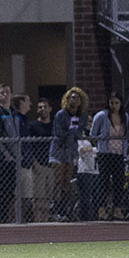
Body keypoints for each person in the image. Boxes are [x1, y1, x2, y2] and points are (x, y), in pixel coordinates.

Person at [48, 86, 90, 221]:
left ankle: (66, 209)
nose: (75, 100)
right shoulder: (61, 115)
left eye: (77, 97)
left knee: (68, 181)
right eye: (72, 97)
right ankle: (55, 208)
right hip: (59, 151)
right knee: (58, 180)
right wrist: (73, 134)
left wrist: (73, 135)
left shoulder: (83, 116)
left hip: (71, 151)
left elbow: (82, 131)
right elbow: (59, 133)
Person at [90, 92, 129, 220]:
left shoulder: (125, 117)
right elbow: (93, 133)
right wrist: (101, 141)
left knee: (119, 182)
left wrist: (125, 151)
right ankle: (102, 209)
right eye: (111, 102)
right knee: (103, 182)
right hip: (105, 154)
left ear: (121, 104)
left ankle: (117, 209)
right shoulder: (102, 116)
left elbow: (125, 134)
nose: (114, 106)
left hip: (118, 153)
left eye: (116, 103)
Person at [0, 83, 17, 223]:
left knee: (12, 190)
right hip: (3, 157)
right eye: (2, 92)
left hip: (14, 157)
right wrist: (6, 153)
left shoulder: (14, 112)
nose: (5, 95)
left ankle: (11, 218)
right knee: (4, 189)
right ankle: (2, 220)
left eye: (7, 92)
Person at [29, 98, 55, 222]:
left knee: (48, 198)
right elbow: (29, 147)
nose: (43, 109)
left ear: (50, 109)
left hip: (51, 165)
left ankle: (45, 222)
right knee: (38, 197)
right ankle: (38, 222)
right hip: (39, 166)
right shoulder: (33, 126)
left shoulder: (54, 126)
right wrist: (35, 164)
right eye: (40, 107)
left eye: (45, 107)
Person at [11, 93, 35, 223]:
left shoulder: (25, 119)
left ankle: (24, 219)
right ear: (21, 103)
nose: (30, 104)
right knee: (18, 195)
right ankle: (15, 220)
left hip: (27, 162)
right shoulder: (17, 119)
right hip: (20, 162)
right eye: (28, 101)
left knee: (28, 195)